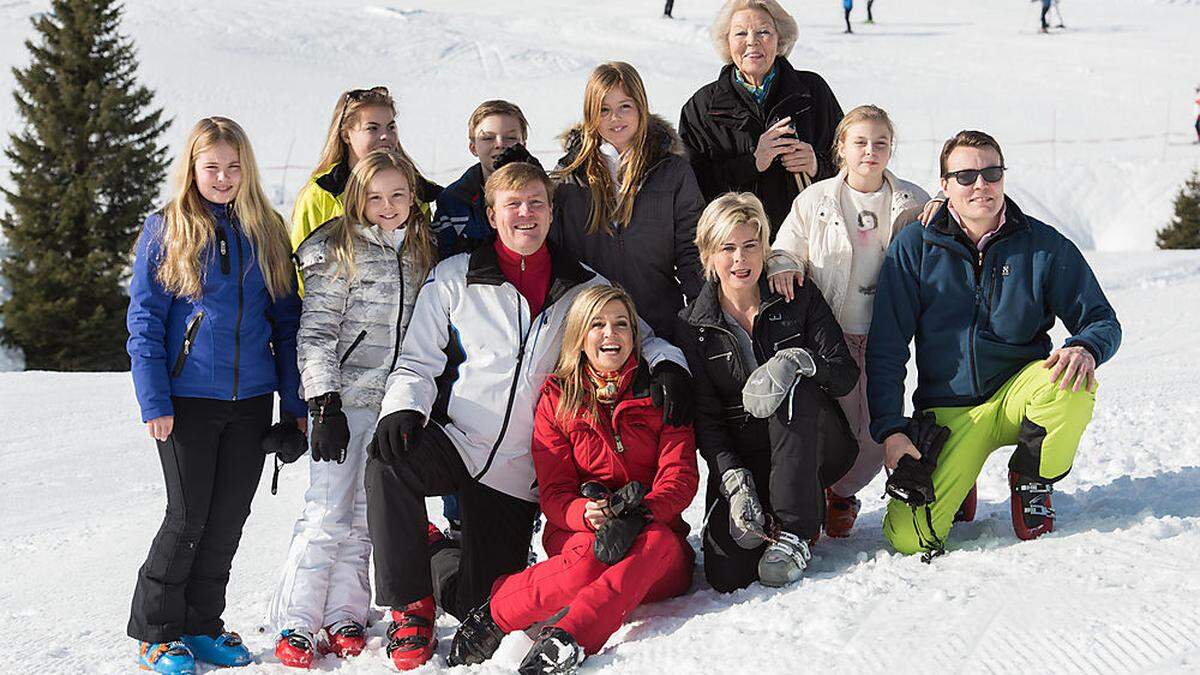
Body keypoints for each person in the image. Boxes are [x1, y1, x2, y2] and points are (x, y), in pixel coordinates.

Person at [363, 162, 693, 671]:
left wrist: (670, 366)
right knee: (387, 463)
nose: (526, 214)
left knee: (481, 601)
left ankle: (434, 555)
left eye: (536, 203)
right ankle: (410, 604)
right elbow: (417, 361)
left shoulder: (581, 286)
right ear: (492, 215)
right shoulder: (455, 278)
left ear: (550, 212)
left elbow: (637, 336)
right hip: (460, 438)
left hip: (519, 470)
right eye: (513, 205)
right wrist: (403, 407)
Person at [867, 130, 1122, 559]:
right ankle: (959, 476)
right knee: (910, 538)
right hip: (949, 408)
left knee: (1071, 382)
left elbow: (1101, 319)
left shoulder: (1043, 245)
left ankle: (1031, 479)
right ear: (944, 185)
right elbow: (887, 348)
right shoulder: (915, 246)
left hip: (1018, 393)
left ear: (1003, 177)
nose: (980, 184)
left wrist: (1086, 347)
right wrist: (891, 430)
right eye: (965, 175)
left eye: (991, 172)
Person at [126, 117, 304, 674]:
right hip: (186, 400)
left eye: (233, 167)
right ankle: (157, 631)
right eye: (212, 168)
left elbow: (287, 325)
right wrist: (154, 399)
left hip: (251, 400)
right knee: (186, 516)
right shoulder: (167, 229)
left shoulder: (267, 230)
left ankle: (202, 624)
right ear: (193, 169)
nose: (223, 178)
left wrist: (294, 407)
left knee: (228, 517)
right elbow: (145, 321)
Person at [445, 285, 699, 674]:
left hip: (655, 533)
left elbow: (679, 476)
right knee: (587, 562)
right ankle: (496, 615)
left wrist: (641, 513)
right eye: (597, 324)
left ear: (634, 334)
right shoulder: (556, 399)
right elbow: (554, 491)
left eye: (621, 324)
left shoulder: (660, 393)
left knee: (659, 543)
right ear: (580, 336)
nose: (610, 334)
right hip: (582, 531)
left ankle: (567, 639)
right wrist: (589, 513)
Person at [266, 150, 436, 668]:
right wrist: (323, 402)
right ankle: (296, 620)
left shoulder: (419, 252)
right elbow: (315, 333)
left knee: (366, 519)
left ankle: (345, 613)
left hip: (393, 405)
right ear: (356, 198)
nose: (387, 207)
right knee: (326, 512)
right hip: (345, 402)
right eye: (375, 197)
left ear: (412, 197)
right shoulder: (334, 248)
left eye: (398, 195)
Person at [676, 192, 859, 593]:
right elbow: (707, 420)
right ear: (708, 253)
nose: (740, 260)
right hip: (749, 457)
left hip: (810, 440)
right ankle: (776, 512)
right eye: (727, 248)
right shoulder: (694, 326)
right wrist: (733, 480)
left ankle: (794, 528)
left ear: (765, 247)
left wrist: (802, 360)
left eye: (750, 245)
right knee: (727, 573)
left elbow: (845, 374)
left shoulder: (796, 294)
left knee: (792, 388)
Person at [767, 105, 930, 537]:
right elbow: (785, 246)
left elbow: (937, 247)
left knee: (877, 427)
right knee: (833, 425)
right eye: (860, 142)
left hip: (884, 333)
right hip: (831, 333)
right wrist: (782, 264)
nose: (870, 152)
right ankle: (825, 493)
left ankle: (843, 491)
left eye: (880, 143)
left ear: (891, 148)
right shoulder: (816, 199)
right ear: (841, 147)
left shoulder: (913, 200)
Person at [552, 61, 705, 339]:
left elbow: (692, 248)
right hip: (593, 332)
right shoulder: (569, 178)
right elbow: (553, 253)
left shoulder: (671, 171)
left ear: (640, 107)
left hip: (660, 322)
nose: (615, 118)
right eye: (604, 110)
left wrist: (702, 313)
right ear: (590, 114)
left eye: (625, 106)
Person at [679, 0, 844, 236]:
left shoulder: (813, 92)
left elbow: (852, 163)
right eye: (740, 33)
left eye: (763, 31)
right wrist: (753, 162)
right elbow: (693, 188)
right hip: (737, 252)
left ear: (780, 39)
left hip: (808, 245)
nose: (751, 41)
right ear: (726, 41)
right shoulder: (702, 107)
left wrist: (816, 165)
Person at [290, 87, 440, 256]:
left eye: (390, 127)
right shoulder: (321, 195)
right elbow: (301, 268)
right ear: (346, 135)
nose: (385, 136)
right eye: (372, 128)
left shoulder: (417, 190)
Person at [433, 99, 537, 259]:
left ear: (523, 144)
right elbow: (441, 259)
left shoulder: (544, 193)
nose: (500, 144)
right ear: (473, 147)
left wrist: (538, 177)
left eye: (510, 138)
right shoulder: (453, 200)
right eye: (488, 138)